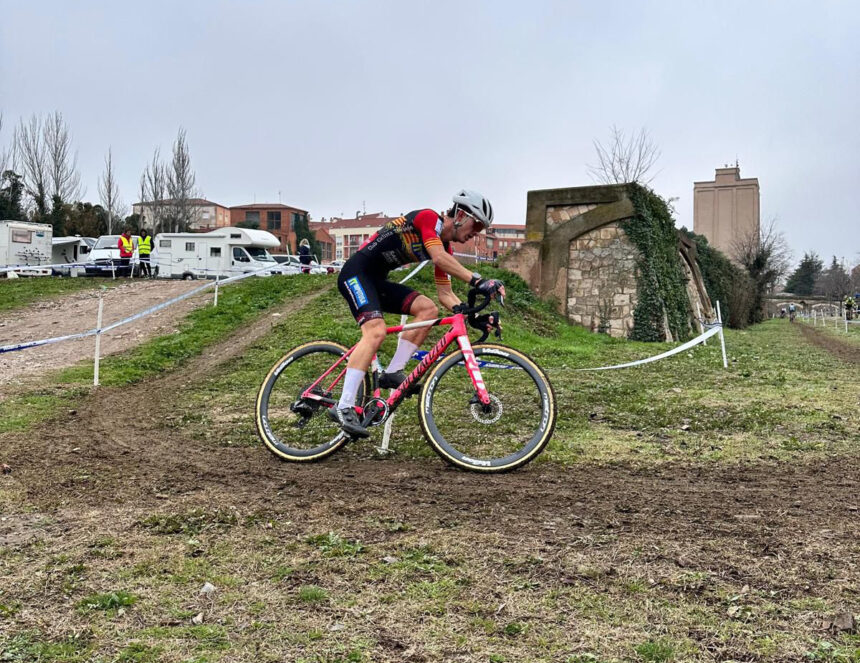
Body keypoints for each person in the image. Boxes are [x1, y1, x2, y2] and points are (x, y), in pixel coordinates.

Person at [330, 189, 504, 438]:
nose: (474, 235)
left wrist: (473, 317)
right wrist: (478, 280)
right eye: (475, 226)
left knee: (428, 309)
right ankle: (344, 405)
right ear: (462, 215)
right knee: (375, 332)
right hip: (355, 274)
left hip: (375, 281)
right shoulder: (427, 219)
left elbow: (445, 295)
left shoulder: (443, 247)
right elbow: (439, 258)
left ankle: (392, 372)